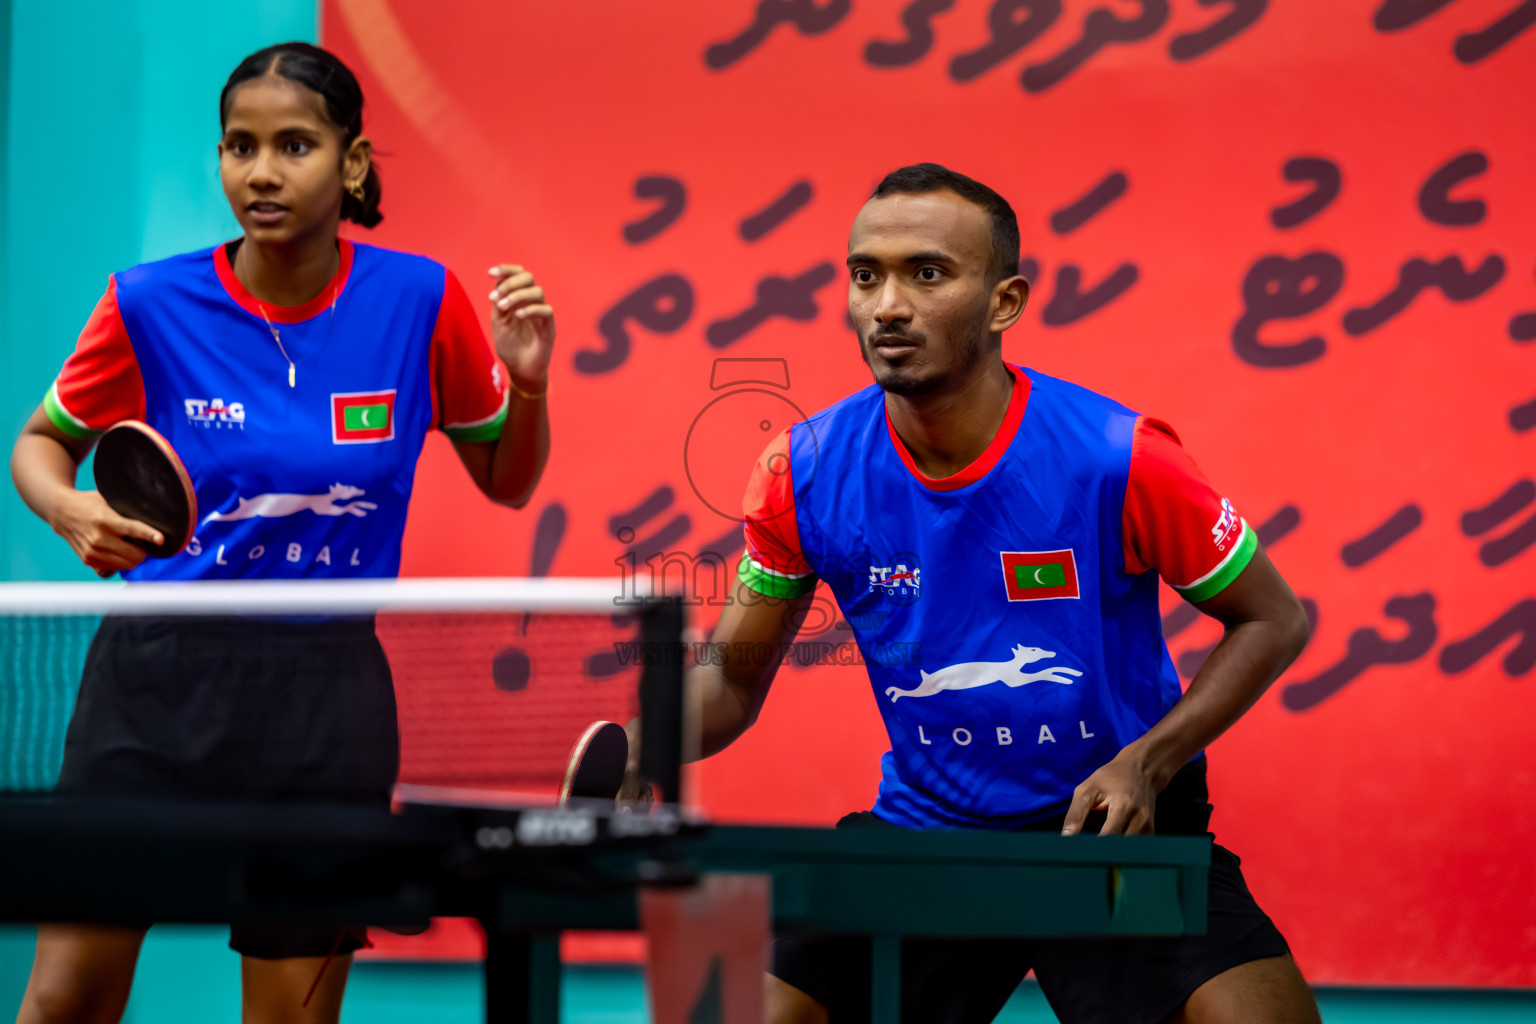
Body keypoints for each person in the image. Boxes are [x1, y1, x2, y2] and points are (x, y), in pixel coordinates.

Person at [637, 163, 1321, 1024]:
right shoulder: (803, 472)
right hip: (932, 830)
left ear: (1005, 301)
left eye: (927, 273)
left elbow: (1273, 618)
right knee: (724, 1007)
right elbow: (731, 682)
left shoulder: (1118, 456)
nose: (887, 304)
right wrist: (642, 741)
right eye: (865, 275)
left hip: (1114, 829)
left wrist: (1147, 762)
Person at [7, 42, 554, 1024]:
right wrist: (68, 506)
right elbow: (41, 444)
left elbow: (507, 479)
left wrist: (533, 381)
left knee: (292, 1017)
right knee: (62, 1002)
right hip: (155, 683)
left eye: (294, 145)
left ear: (351, 161)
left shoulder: (418, 300)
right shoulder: (150, 302)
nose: (260, 171)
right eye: (239, 146)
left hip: (324, 695)